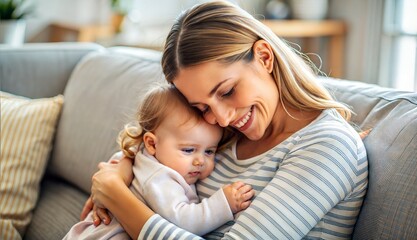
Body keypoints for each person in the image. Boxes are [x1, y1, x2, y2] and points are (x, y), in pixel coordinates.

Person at [82, 1, 368, 239]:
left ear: (264, 58)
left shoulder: (328, 145)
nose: (221, 118)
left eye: (227, 91)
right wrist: (124, 165)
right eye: (202, 107)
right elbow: (162, 142)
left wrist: (117, 195)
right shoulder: (229, 133)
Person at [65, 84, 254, 239]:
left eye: (210, 151)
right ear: (152, 144)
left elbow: (125, 156)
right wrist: (224, 204)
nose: (200, 161)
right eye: (188, 150)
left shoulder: (144, 158)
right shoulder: (160, 177)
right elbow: (182, 222)